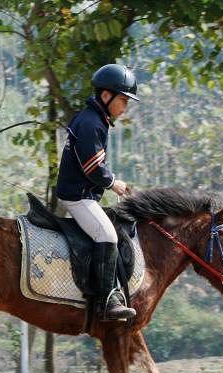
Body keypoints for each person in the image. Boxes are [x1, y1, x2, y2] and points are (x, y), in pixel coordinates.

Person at [55, 63, 138, 321]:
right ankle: (106, 302)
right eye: (123, 100)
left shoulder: (95, 120)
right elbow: (93, 167)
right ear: (106, 96)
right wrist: (114, 183)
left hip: (83, 194)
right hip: (77, 196)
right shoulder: (91, 123)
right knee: (108, 236)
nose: (125, 107)